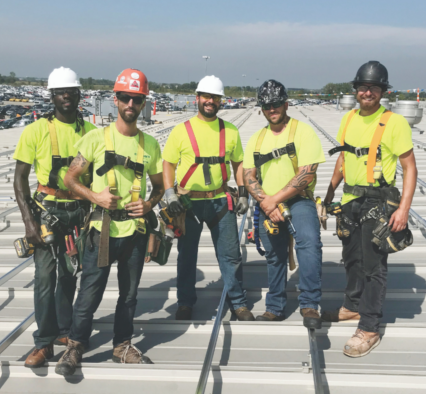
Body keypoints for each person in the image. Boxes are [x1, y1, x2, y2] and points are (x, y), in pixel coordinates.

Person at [55, 68, 164, 376]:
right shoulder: (96, 139)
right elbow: (70, 178)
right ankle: (75, 346)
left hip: (135, 232)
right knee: (89, 293)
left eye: (137, 99)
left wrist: (149, 204)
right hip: (102, 231)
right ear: (116, 99)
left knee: (129, 295)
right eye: (126, 98)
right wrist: (95, 197)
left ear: (143, 103)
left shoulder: (150, 146)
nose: (131, 104)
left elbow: (158, 187)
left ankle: (122, 345)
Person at [322, 61, 417, 357]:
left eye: (374, 88)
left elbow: (409, 168)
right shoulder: (348, 119)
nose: (367, 92)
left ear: (382, 91)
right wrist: (328, 193)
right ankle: (352, 307)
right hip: (350, 200)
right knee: (350, 258)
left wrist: (403, 210)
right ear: (356, 90)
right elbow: (342, 160)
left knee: (374, 266)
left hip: (378, 202)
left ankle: (370, 326)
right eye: (363, 87)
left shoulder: (395, 123)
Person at [13, 67, 97, 368]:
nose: (66, 96)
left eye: (71, 91)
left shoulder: (90, 133)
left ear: (78, 95)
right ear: (52, 96)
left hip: (78, 213)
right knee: (45, 277)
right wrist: (28, 222)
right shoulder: (35, 131)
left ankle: (63, 330)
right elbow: (20, 178)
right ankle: (43, 342)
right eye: (60, 92)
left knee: (69, 273)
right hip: (47, 211)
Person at [162, 75, 252, 321]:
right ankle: (185, 303)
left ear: (220, 100)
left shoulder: (230, 131)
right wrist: (170, 193)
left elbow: (238, 163)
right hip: (188, 203)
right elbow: (168, 163)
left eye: (215, 97)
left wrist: (243, 192)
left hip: (220, 201)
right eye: (206, 97)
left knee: (230, 254)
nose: (210, 101)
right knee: (187, 255)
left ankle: (238, 303)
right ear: (197, 98)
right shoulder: (182, 131)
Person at [243, 80, 325, 328]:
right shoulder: (257, 140)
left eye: (277, 104)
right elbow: (249, 177)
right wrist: (267, 203)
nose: (272, 109)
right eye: (267, 105)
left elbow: (307, 175)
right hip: (267, 203)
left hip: (298, 201)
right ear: (261, 108)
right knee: (275, 255)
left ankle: (310, 304)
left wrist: (273, 201)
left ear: (286, 104)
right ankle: (275, 307)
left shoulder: (302, 132)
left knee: (309, 243)